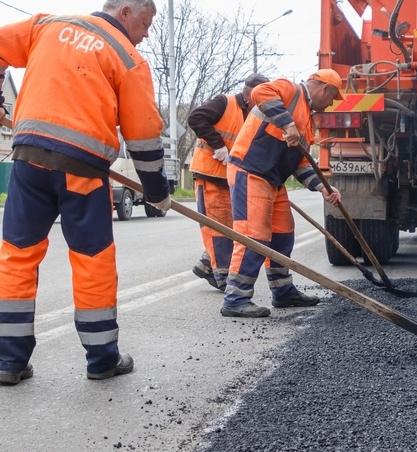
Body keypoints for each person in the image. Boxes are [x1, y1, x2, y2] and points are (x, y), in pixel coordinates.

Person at [0, 0, 170, 385]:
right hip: (82, 170)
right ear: (125, 12)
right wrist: (157, 192)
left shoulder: (48, 24)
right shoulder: (128, 59)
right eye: (146, 24)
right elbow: (143, 136)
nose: (146, 34)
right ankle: (102, 359)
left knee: (17, 256)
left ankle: (8, 362)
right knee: (92, 259)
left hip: (28, 159)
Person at [221, 69, 343, 318]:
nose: (330, 104)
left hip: (273, 180)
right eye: (332, 97)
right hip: (250, 171)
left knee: (283, 235)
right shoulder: (291, 91)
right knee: (252, 236)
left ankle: (282, 291)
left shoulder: (307, 120)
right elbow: (259, 91)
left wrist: (322, 187)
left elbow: (300, 163)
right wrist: (287, 124)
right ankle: (236, 298)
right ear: (323, 88)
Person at [188, 73, 270, 292]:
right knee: (218, 229)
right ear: (249, 92)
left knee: (234, 227)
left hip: (231, 177)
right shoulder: (224, 103)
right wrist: (218, 145)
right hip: (210, 174)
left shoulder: (253, 112)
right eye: (260, 96)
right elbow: (195, 118)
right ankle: (223, 277)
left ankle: (207, 265)